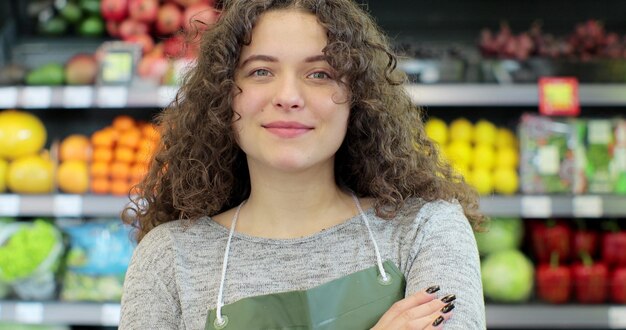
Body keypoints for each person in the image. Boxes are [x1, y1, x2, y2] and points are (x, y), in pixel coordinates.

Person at [119, 0, 486, 329]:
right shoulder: (167, 259)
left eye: (320, 74)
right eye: (261, 71)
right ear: (223, 96)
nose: (289, 97)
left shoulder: (426, 230)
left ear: (358, 99)